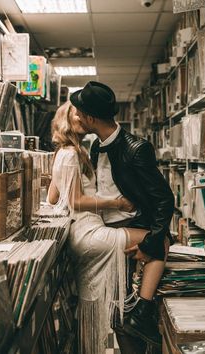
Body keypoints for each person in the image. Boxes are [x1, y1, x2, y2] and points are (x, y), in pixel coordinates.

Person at [70, 81, 175, 352]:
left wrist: (151, 241)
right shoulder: (95, 147)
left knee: (130, 316)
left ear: (91, 117)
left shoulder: (136, 149)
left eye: (80, 112)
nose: (78, 116)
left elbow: (164, 199)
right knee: (117, 316)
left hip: (132, 231)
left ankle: (143, 309)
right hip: (109, 232)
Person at [47, 101, 152, 354]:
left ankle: (133, 308)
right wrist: (116, 203)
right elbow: (74, 200)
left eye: (85, 113)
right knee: (156, 239)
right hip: (90, 232)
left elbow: (52, 198)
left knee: (116, 297)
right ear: (66, 118)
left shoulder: (65, 152)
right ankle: (142, 311)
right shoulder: (71, 154)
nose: (83, 117)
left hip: (80, 232)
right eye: (77, 113)